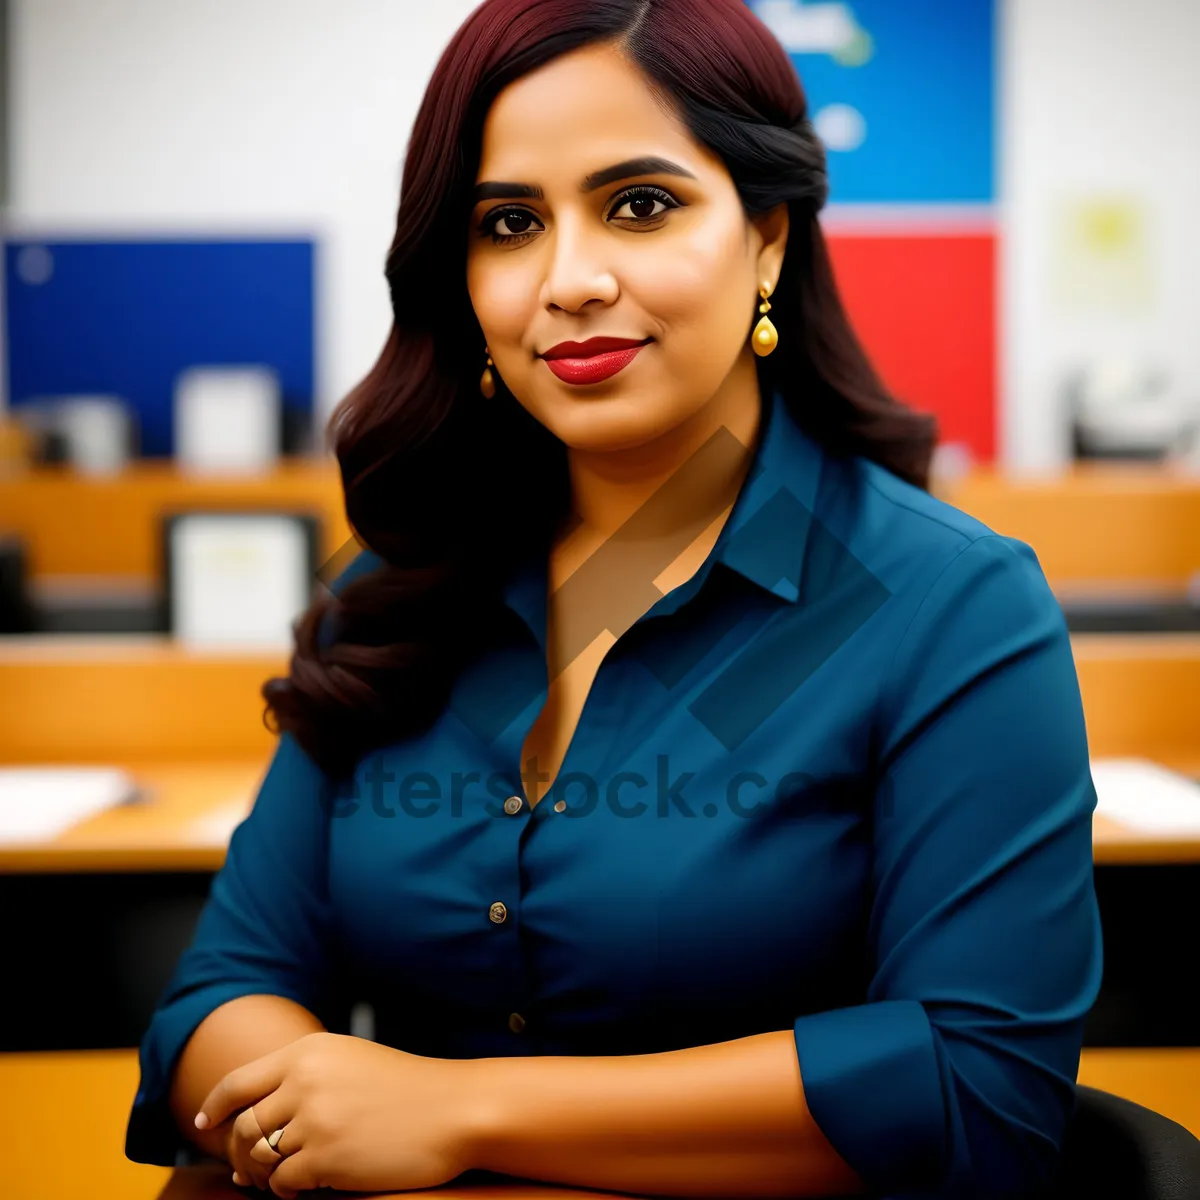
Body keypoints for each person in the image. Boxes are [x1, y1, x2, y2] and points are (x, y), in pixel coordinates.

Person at [125, 1, 1103, 1196]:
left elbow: (975, 1089)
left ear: (769, 241)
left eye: (640, 205)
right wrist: (310, 1113)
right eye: (508, 223)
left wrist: (463, 1111)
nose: (570, 280)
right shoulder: (399, 587)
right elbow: (222, 992)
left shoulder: (945, 605)